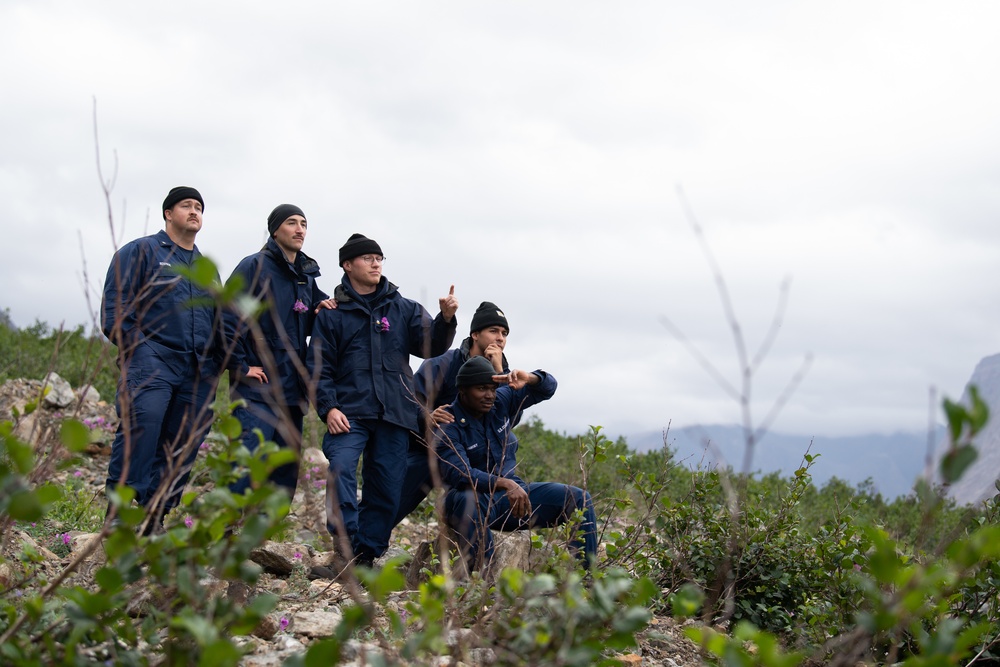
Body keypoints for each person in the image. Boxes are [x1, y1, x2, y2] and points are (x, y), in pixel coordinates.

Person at [308, 233, 459, 568]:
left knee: (387, 489)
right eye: (368, 258)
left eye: (379, 258)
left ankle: (361, 559)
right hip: (348, 412)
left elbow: (430, 347)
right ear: (348, 265)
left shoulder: (402, 308)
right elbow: (318, 368)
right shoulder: (333, 314)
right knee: (342, 467)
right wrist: (328, 407)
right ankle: (344, 544)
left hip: (394, 414)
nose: (376, 263)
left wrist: (445, 320)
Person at [101, 186, 222, 530]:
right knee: (142, 428)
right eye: (187, 205)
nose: (195, 211)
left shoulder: (206, 269)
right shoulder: (140, 252)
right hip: (152, 358)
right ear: (168, 213)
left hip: (198, 370)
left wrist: (218, 363)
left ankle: (155, 514)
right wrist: (138, 350)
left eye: (199, 206)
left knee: (183, 445)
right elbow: (115, 310)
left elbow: (221, 320)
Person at [436, 356, 598, 570]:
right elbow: (461, 473)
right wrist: (505, 483)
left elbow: (548, 388)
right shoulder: (448, 423)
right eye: (482, 389)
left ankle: (585, 578)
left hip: (509, 501)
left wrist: (530, 378)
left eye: (493, 389)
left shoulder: (499, 402)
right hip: (471, 500)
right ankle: (484, 584)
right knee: (469, 501)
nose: (489, 395)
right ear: (463, 390)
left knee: (579, 499)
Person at [224, 204, 335, 498]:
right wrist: (239, 366)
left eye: (304, 224)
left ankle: (264, 537)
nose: (300, 229)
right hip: (256, 388)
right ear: (275, 230)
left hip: (290, 390)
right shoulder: (253, 266)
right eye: (291, 223)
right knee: (246, 462)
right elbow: (226, 316)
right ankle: (225, 535)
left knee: (283, 471)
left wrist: (324, 307)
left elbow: (315, 315)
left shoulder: (306, 277)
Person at [393, 301, 511, 526]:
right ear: (475, 334)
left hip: (475, 453)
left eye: (504, 333)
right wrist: (426, 415)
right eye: (493, 331)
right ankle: (363, 545)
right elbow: (410, 399)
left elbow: (507, 417)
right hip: (431, 450)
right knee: (413, 477)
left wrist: (500, 373)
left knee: (508, 449)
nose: (500, 338)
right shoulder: (443, 363)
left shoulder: (503, 372)